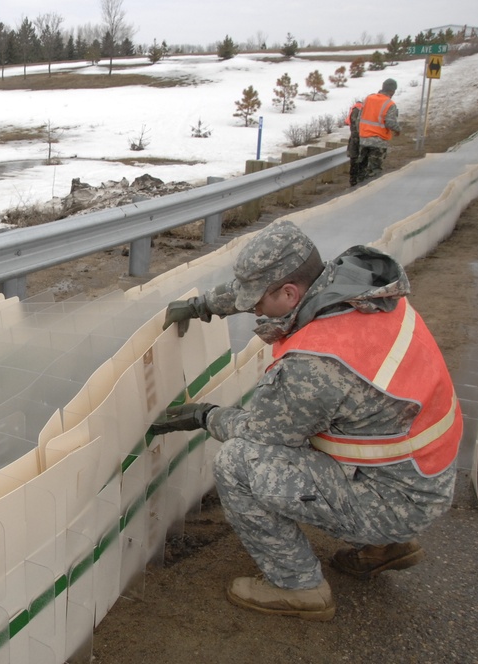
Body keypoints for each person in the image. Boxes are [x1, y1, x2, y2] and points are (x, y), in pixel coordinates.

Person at [153, 220, 461, 621]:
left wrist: (203, 415)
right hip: (422, 473)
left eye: (258, 301)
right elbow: (271, 291)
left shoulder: (316, 364)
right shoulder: (361, 288)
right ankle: (387, 545)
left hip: (396, 499)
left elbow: (258, 432)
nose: (254, 310)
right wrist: (206, 305)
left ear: (289, 292)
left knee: (238, 463)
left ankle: (297, 586)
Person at [355, 78, 401, 184]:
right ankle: (369, 195)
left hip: (364, 139)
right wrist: (398, 129)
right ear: (392, 91)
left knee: (361, 169)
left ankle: (357, 192)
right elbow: (390, 123)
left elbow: (359, 118)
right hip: (378, 142)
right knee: (374, 172)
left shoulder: (368, 99)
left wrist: (361, 133)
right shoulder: (390, 104)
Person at [344, 100, 363, 186]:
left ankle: (353, 181)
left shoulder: (354, 109)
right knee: (358, 161)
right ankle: (356, 181)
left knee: (354, 161)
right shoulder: (360, 110)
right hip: (359, 140)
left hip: (353, 139)